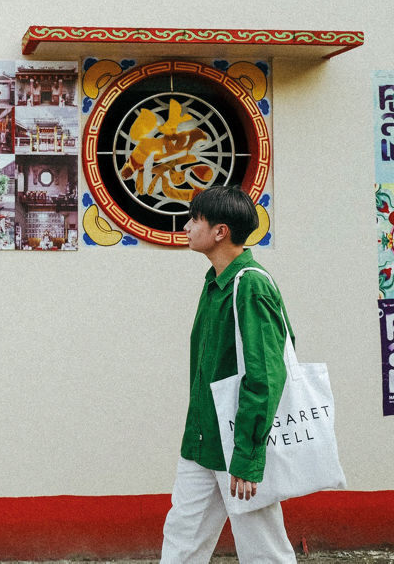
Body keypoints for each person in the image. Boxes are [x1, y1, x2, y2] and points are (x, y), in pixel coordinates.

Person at [159, 186, 297, 564]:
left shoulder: (249, 284)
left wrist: (249, 456)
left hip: (238, 442)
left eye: (194, 219)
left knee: (262, 549)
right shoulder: (215, 281)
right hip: (202, 440)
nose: (186, 227)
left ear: (220, 231)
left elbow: (266, 374)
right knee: (182, 540)